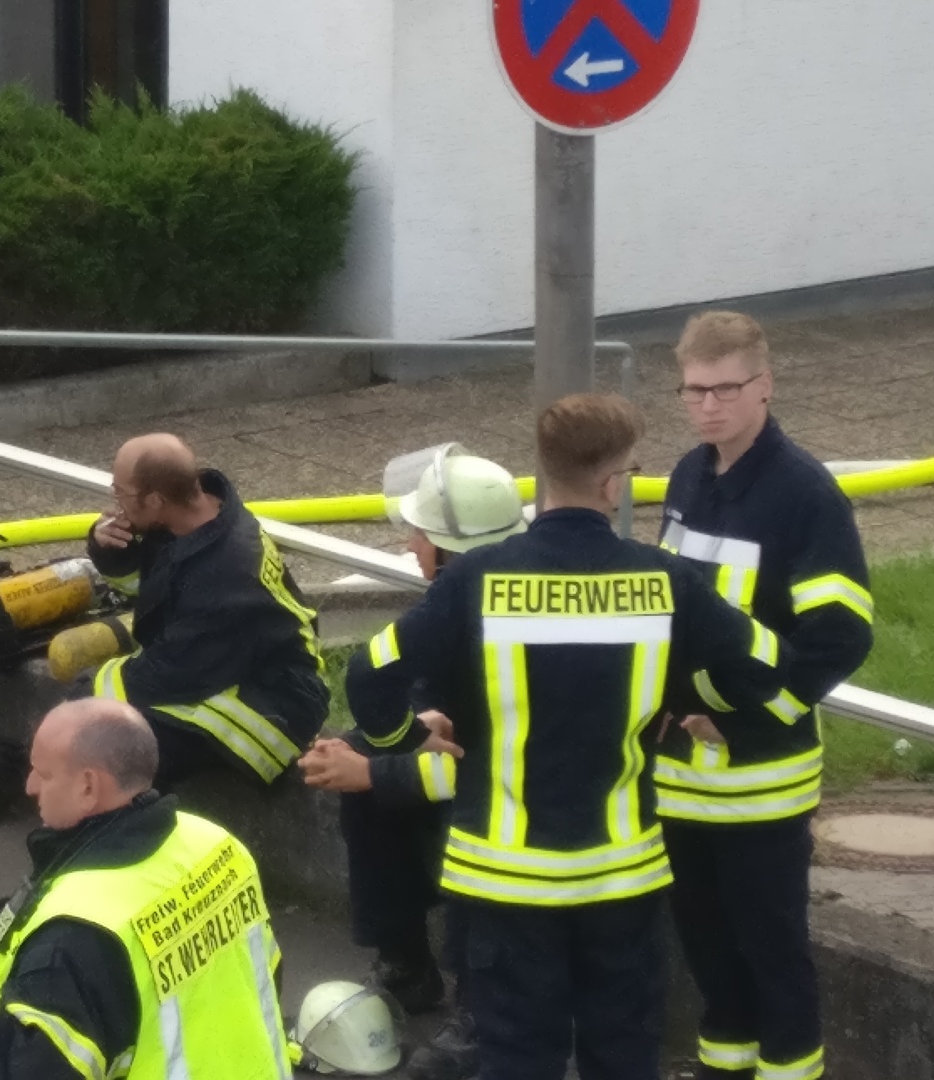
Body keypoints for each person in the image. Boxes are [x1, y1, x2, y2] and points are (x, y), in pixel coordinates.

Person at [343, 393, 799, 1080]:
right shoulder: (664, 580)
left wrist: (409, 735)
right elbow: (769, 666)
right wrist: (692, 702)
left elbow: (369, 675)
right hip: (621, 879)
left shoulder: (476, 579)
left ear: (544, 471)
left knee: (517, 1059)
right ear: (614, 483)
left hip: (504, 881)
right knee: (623, 1057)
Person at [656, 312, 873, 1080]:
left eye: (726, 389)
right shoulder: (688, 476)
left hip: (762, 780)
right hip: (681, 773)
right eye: (694, 390)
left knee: (770, 949)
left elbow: (841, 635)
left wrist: (749, 717)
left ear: (765, 386)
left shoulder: (804, 496)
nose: (709, 405)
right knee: (707, 944)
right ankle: (725, 1065)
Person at [0, 698, 294, 1080]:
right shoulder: (217, 845)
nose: (30, 786)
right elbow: (259, 980)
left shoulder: (75, 934)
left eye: (43, 773)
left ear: (88, 786)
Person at [299, 448, 524, 1080]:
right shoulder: (467, 600)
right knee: (365, 758)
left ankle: (483, 1012)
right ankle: (408, 967)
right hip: (492, 779)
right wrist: (385, 741)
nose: (409, 545)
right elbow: (436, 716)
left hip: (521, 806)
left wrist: (374, 770)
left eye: (420, 534)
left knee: (395, 790)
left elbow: (493, 772)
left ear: (450, 549)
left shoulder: (490, 612)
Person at [85, 433, 329, 786]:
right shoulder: (188, 521)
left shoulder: (229, 573)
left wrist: (87, 693)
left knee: (118, 754)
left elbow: (170, 673)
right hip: (217, 666)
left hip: (268, 707)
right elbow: (148, 587)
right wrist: (109, 546)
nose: (116, 501)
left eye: (120, 491)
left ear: (155, 499)